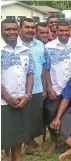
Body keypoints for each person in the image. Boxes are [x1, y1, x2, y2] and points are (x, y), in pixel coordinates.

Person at [44, 21, 71, 153]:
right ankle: (54, 142)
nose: (63, 33)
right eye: (60, 31)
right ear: (55, 31)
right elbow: (46, 69)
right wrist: (49, 88)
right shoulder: (49, 47)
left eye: (66, 30)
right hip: (56, 88)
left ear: (70, 31)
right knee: (52, 115)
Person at [1, 19, 35, 161]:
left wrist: (27, 95)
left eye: (14, 29)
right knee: (4, 136)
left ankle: (17, 158)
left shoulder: (25, 50)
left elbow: (30, 73)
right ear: (2, 31)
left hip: (21, 101)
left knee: (18, 135)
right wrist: (8, 98)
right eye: (7, 29)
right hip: (3, 103)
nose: (11, 32)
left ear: (18, 30)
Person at [18, 18, 47, 156]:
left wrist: (45, 88)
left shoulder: (40, 45)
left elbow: (43, 68)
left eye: (32, 27)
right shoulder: (14, 44)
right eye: (27, 27)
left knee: (34, 118)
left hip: (37, 88)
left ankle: (29, 145)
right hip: (17, 90)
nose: (30, 29)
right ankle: (9, 151)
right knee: (17, 120)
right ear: (20, 28)